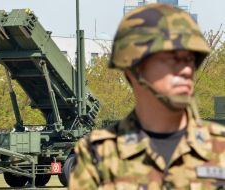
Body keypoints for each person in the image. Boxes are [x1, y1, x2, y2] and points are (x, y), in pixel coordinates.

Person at [69, 3, 225, 190]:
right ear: (134, 69)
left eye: (190, 59)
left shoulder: (220, 147)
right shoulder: (97, 155)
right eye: (172, 58)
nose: (185, 69)